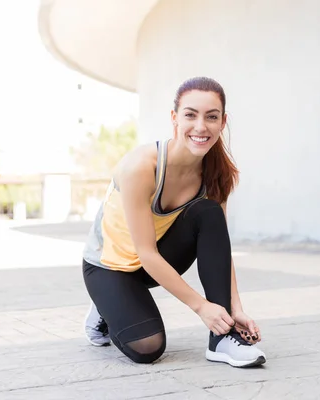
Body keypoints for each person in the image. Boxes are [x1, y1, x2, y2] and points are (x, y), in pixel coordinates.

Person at [81, 76, 266, 368]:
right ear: (174, 118)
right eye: (190, 115)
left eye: (212, 117)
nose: (201, 127)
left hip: (154, 263)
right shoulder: (141, 166)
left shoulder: (217, 173)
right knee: (148, 348)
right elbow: (146, 253)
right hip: (109, 266)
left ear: (223, 121)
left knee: (209, 213)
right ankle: (105, 306)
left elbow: (220, 249)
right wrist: (201, 307)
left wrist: (235, 309)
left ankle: (222, 340)